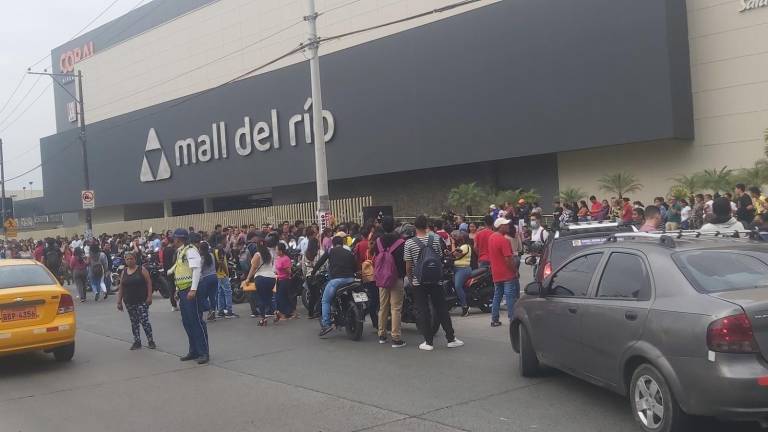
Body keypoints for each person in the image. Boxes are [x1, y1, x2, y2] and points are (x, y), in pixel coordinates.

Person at [404, 215, 464, 351]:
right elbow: (439, 258)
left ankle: (428, 342)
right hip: (436, 280)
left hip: (419, 281)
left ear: (414, 227)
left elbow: (408, 265)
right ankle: (451, 338)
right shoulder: (435, 239)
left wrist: (411, 279)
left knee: (423, 310)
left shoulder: (409, 243)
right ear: (427, 226)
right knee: (441, 308)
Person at [168, 228, 209, 364]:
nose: (173, 240)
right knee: (187, 322)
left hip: (191, 290)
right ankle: (194, 350)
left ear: (178, 239)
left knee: (196, 321)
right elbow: (180, 272)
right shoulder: (181, 251)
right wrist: (177, 290)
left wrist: (193, 289)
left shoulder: (190, 251)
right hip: (183, 290)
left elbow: (196, 270)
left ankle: (203, 352)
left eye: (174, 238)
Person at [370, 216, 407, 347]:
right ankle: (396, 338)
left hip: (382, 278)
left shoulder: (378, 241)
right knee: (396, 308)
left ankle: (382, 334)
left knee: (383, 306)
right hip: (396, 277)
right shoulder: (401, 242)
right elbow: (403, 261)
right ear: (394, 226)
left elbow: (375, 257)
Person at [314, 235, 358, 336]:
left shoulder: (330, 251)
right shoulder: (349, 252)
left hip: (337, 281)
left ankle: (326, 324)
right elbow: (355, 266)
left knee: (325, 300)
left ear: (333, 244)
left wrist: (313, 272)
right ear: (342, 243)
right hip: (351, 279)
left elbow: (320, 262)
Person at [116, 252, 156, 350]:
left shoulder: (141, 269)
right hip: (129, 301)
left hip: (141, 301)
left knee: (144, 321)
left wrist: (149, 296)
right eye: (127, 259)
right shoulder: (124, 271)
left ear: (135, 259)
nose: (129, 260)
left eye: (131, 258)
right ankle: (137, 341)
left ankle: (150, 341)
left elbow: (149, 283)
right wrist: (119, 301)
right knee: (134, 322)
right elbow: (121, 287)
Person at [488, 218, 520, 327]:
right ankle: (512, 319)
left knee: (497, 295)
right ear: (500, 226)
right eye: (505, 225)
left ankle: (494, 319)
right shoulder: (504, 240)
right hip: (507, 273)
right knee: (510, 297)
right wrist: (515, 270)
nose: (507, 226)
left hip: (496, 272)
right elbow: (508, 259)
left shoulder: (491, 238)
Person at [245, 235, 276, 326]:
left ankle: (263, 319)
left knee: (261, 298)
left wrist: (248, 278)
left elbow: (253, 268)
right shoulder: (270, 254)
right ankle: (276, 311)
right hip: (271, 278)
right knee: (269, 297)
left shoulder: (257, 255)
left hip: (261, 278)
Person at [214, 237, 238, 319]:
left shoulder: (215, 250)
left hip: (217, 274)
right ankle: (229, 311)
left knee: (220, 293)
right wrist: (226, 272)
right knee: (228, 292)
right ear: (222, 241)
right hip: (222, 274)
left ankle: (220, 311)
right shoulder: (220, 250)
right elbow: (221, 262)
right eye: (225, 240)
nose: (226, 242)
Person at [196, 239, 219, 322]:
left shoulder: (202, 258)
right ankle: (213, 312)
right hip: (214, 276)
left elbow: (200, 269)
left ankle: (209, 309)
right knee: (212, 296)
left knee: (202, 296)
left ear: (201, 249)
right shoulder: (211, 255)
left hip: (206, 278)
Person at [451, 230, 472, 317]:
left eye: (458, 236)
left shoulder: (465, 246)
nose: (456, 238)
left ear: (463, 238)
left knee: (458, 286)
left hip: (463, 269)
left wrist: (452, 243)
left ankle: (465, 307)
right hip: (457, 269)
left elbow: (455, 254)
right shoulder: (461, 246)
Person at [274, 243, 295, 321]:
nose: (276, 251)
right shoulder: (277, 258)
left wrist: (283, 269)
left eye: (277, 250)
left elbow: (289, 271)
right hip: (278, 279)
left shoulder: (286, 259)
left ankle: (287, 313)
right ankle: (284, 313)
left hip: (285, 279)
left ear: (281, 251)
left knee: (282, 297)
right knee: (279, 297)